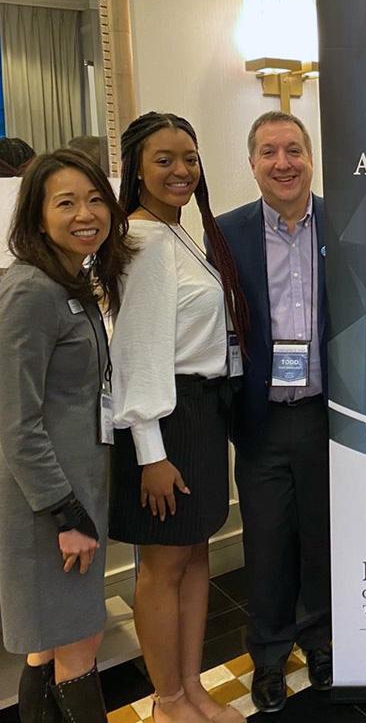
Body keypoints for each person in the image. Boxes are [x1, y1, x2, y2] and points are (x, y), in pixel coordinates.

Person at [108, 112, 249, 723]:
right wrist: (151, 452)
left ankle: (190, 689)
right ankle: (167, 702)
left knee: (194, 557)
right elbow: (135, 353)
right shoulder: (138, 240)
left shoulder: (178, 233)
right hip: (163, 423)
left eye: (188, 157)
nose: (180, 170)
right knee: (163, 564)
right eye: (163, 159)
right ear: (136, 168)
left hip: (199, 411)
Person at [0, 149, 132, 723]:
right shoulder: (29, 293)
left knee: (47, 645)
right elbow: (16, 422)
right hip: (51, 510)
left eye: (96, 198)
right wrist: (67, 515)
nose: (86, 213)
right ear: (37, 215)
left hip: (72, 497)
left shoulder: (67, 284)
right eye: (67, 202)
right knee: (79, 644)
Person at [216, 111, 331, 712]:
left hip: (325, 414)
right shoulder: (224, 233)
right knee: (265, 543)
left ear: (310, 157)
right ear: (252, 163)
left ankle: (320, 642)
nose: (282, 162)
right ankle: (267, 656)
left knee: (321, 537)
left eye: (293, 150)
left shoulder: (345, 223)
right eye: (268, 152)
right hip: (259, 418)